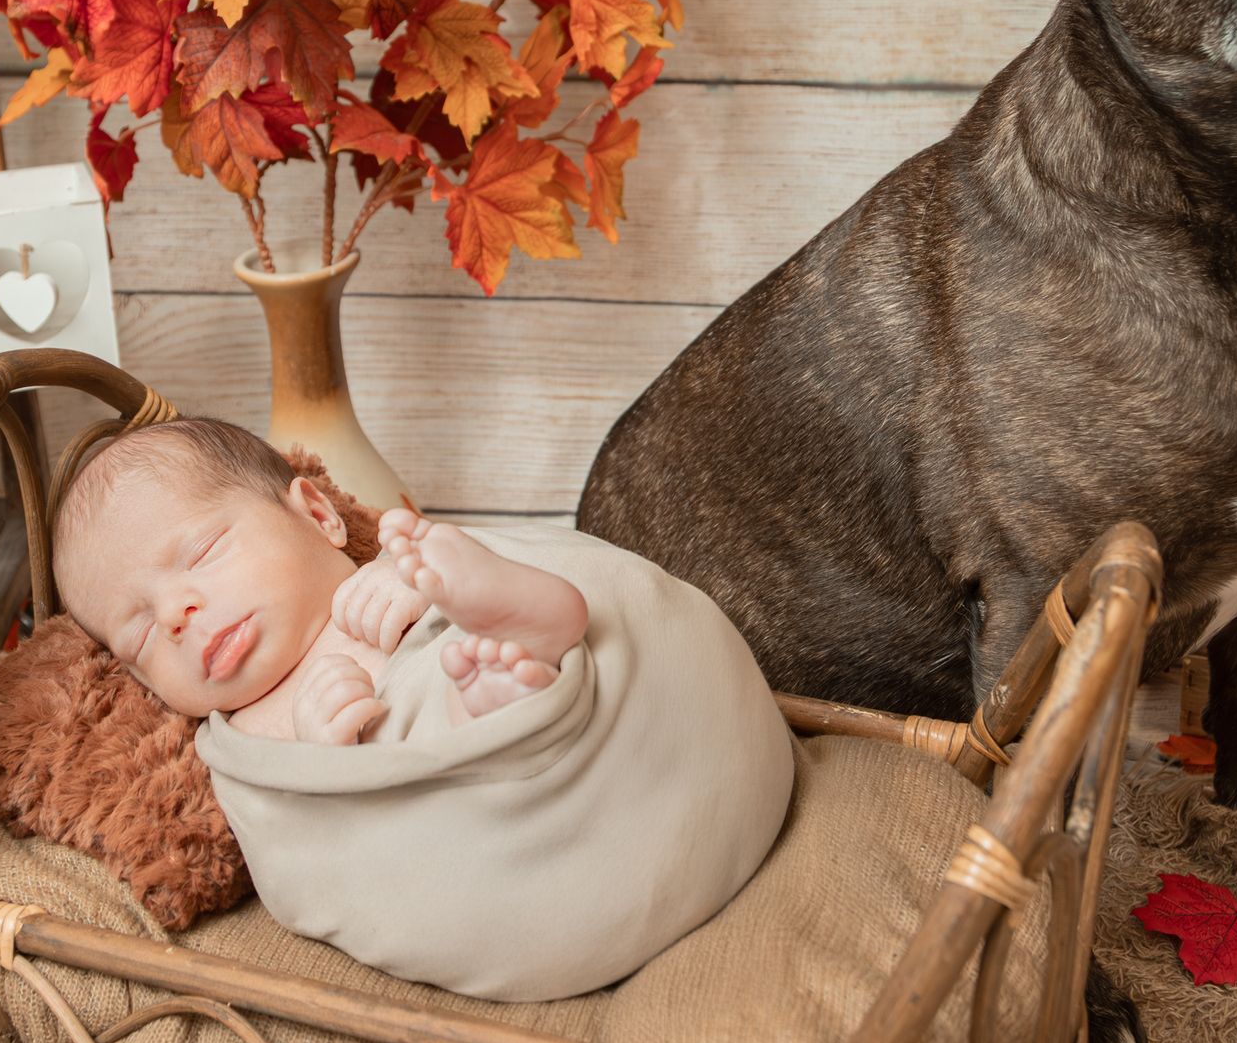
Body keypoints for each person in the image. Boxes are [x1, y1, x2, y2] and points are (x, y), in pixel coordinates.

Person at [52, 416, 794, 999]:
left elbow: (423, 574)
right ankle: (508, 694)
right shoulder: (246, 739)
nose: (178, 613)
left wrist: (418, 586)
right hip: (502, 856)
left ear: (319, 515)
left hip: (622, 731)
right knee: (445, 706)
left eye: (203, 552)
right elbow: (309, 850)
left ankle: (525, 637)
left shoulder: (385, 573)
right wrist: (317, 744)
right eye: (142, 631)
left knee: (458, 618)